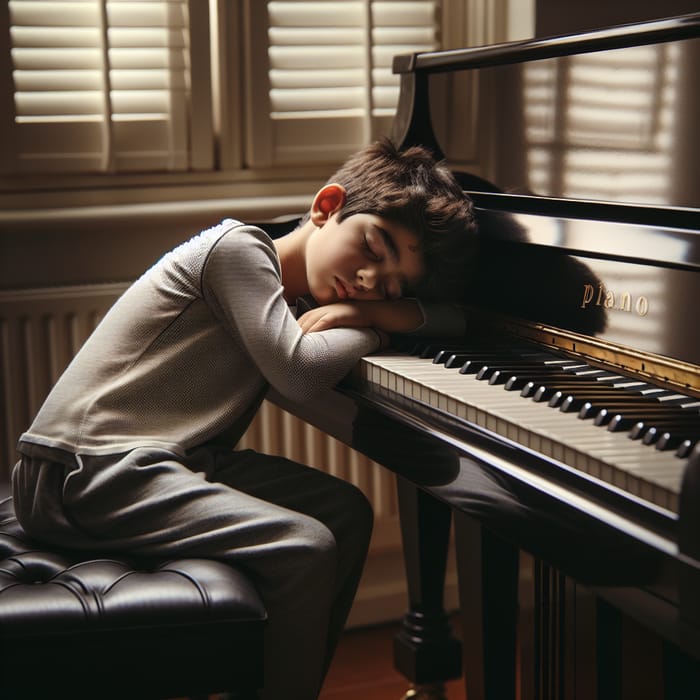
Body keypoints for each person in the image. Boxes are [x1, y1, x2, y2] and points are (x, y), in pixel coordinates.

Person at [11, 139, 477, 699]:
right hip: (80, 470)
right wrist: (376, 325)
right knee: (304, 545)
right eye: (374, 250)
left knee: (346, 512)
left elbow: (456, 317)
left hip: (162, 460)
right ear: (327, 207)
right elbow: (300, 374)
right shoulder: (238, 250)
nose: (374, 280)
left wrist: (366, 308)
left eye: (396, 285)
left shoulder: (301, 294)